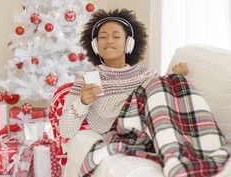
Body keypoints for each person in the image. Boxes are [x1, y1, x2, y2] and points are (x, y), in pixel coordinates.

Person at [57, 8, 231, 177]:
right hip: (123, 130)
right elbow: (65, 130)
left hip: (150, 126)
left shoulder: (147, 74)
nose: (109, 40)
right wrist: (82, 103)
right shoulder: (87, 80)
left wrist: (174, 78)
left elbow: (160, 99)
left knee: (173, 81)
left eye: (116, 36)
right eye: (103, 37)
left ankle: (205, 145)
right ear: (95, 45)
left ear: (129, 43)